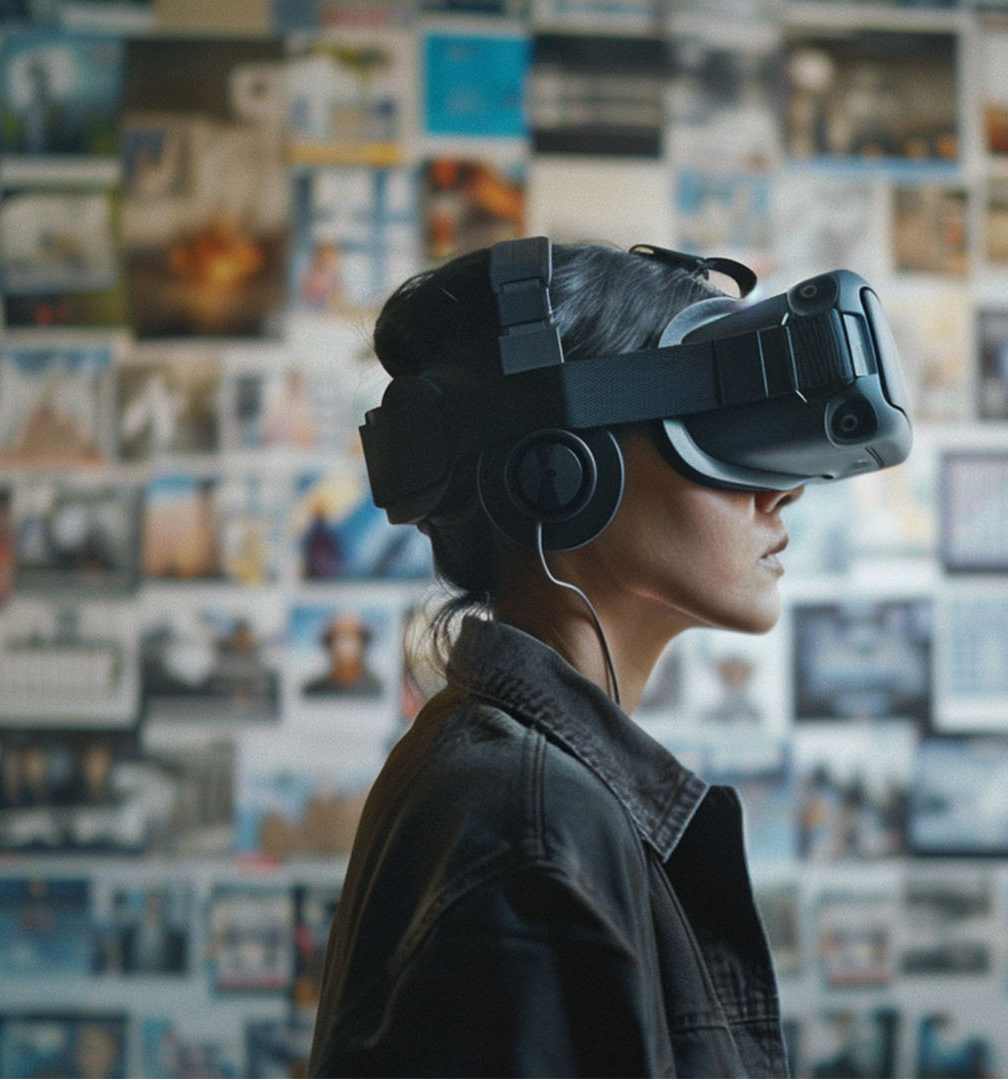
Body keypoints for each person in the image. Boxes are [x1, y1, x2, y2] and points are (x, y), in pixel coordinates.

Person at [309, 242, 813, 1075]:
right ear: (562, 474)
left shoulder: (506, 778)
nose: (782, 489)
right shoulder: (531, 828)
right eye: (717, 431)